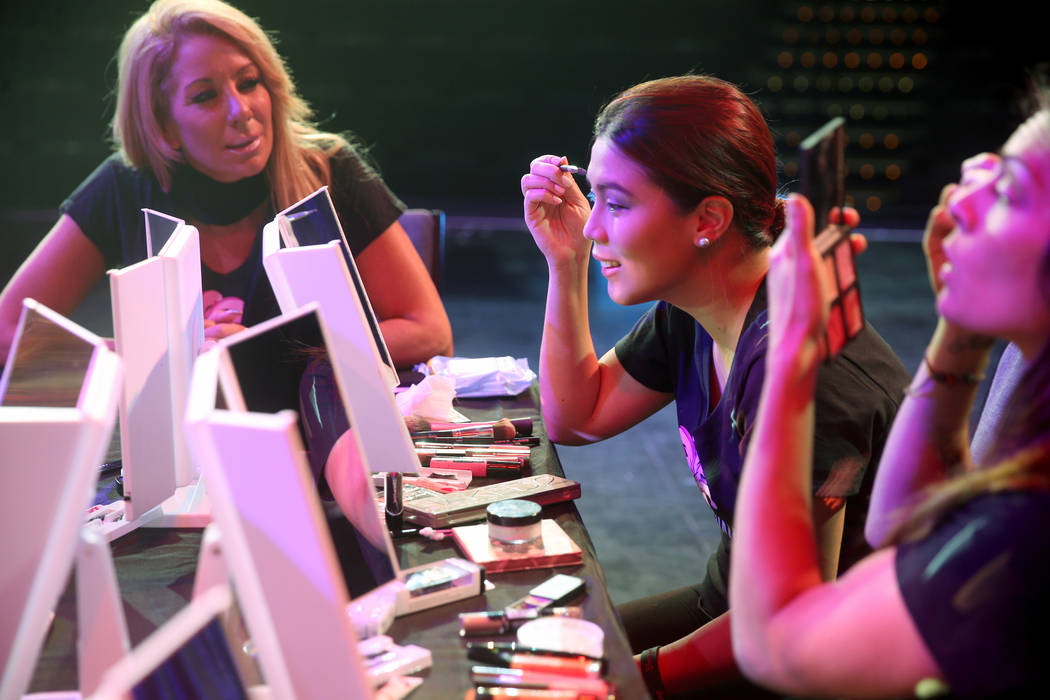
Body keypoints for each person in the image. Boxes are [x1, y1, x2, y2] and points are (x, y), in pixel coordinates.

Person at [520, 74, 910, 696]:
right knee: (535, 665)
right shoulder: (696, 307)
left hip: (820, 666)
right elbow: (578, 414)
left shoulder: (811, 371)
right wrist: (564, 264)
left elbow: (792, 630)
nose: (592, 226)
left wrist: (630, 680)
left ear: (708, 218)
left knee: (557, 681)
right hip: (730, 609)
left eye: (616, 204)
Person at [729, 101, 1050, 697]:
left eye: (1010, 189)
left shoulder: (1031, 528)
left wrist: (795, 356)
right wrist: (961, 325)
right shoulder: (1025, 363)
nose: (962, 193)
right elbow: (904, 523)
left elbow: (779, 647)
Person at [0, 0, 452, 367]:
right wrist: (151, 361)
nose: (242, 111)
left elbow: (430, 331)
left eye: (249, 82)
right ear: (163, 126)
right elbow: (7, 334)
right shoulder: (124, 186)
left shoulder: (329, 169)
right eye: (206, 96)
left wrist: (264, 352)